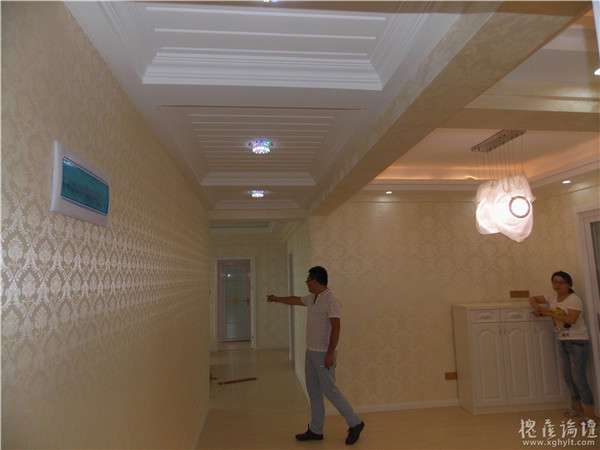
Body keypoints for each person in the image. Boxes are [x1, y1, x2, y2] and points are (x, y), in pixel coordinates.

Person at [267, 266, 365, 445]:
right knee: (313, 391)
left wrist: (330, 354)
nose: (307, 283)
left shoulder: (331, 300)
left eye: (308, 280)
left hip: (324, 354)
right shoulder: (312, 298)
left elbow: (336, 328)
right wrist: (277, 298)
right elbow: (295, 300)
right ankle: (316, 429)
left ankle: (356, 423)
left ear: (316, 280)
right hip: (311, 351)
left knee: (330, 390)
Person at [529, 271, 599, 423]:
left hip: (577, 341)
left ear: (569, 284)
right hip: (562, 340)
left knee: (579, 377)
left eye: (561, 282)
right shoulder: (552, 297)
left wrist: (547, 313)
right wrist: (538, 308)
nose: (557, 285)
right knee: (567, 376)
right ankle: (577, 409)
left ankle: (591, 414)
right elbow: (532, 298)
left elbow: (572, 320)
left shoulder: (574, 300)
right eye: (555, 282)